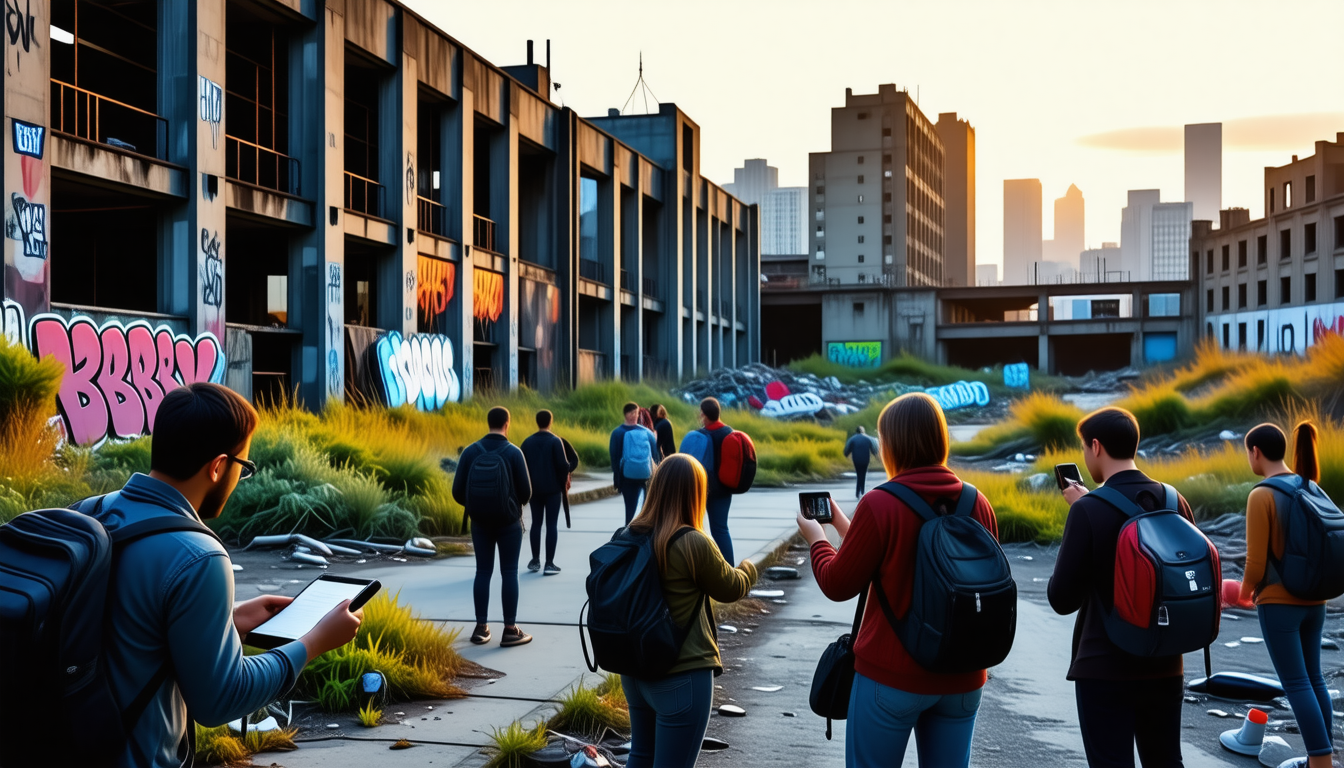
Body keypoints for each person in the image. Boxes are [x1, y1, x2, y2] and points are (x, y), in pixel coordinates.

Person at [93, 383, 363, 768]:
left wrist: (229, 620)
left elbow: (126, 624)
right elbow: (220, 699)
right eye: (243, 467)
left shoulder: (89, 513)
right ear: (218, 467)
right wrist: (313, 643)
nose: (240, 479)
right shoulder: (198, 556)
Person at [798, 392, 999, 768]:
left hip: (892, 677)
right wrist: (844, 523)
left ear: (891, 444)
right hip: (963, 678)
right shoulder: (978, 502)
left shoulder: (880, 504)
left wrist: (817, 539)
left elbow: (838, 583)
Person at [1048, 406, 1196, 768]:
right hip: (1166, 662)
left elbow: (1061, 599)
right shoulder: (1175, 501)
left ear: (1095, 447)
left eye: (1085, 447)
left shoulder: (1087, 510)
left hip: (1104, 666)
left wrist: (1081, 514)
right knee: (1165, 762)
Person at [621, 454, 758, 768]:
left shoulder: (629, 534)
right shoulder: (692, 541)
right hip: (681, 674)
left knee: (640, 756)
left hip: (634, 670)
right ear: (696, 493)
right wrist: (749, 568)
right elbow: (732, 588)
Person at [1241, 422, 1333, 768]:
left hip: (1279, 603)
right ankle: (1320, 758)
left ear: (1256, 452)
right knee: (1314, 678)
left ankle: (1320, 763)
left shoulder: (1261, 494)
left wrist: (1244, 593)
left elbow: (1255, 562)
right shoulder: (1310, 486)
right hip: (1316, 598)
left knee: (1295, 683)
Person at [452, 406, 533, 647]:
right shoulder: (514, 452)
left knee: (482, 572)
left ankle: (481, 628)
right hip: (508, 523)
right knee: (509, 572)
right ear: (507, 424)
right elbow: (527, 493)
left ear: (488, 423)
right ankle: (510, 630)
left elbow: (457, 491)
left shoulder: (470, 452)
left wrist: (477, 505)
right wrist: (509, 503)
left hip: (480, 523)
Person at [520, 410, 576, 575]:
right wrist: (567, 472)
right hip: (553, 490)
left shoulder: (527, 442)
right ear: (550, 422)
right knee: (551, 525)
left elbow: (522, 466)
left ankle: (535, 560)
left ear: (537, 422)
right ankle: (549, 563)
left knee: (536, 524)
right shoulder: (555, 441)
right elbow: (563, 465)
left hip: (534, 491)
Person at [696, 397, 738, 562]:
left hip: (701, 487)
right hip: (724, 488)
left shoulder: (700, 435)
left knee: (696, 529)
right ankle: (730, 569)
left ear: (704, 415)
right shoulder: (729, 432)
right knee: (720, 529)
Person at [609, 401, 661, 525]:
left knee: (631, 509)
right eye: (633, 413)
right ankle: (641, 537)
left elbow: (614, 458)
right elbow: (656, 456)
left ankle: (629, 535)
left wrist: (617, 480)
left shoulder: (617, 433)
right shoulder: (647, 433)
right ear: (628, 414)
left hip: (628, 476)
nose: (635, 415)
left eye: (636, 413)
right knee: (643, 511)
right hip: (645, 475)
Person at [844, 425, 875, 498]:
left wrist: (846, 454)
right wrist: (875, 454)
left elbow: (848, 449)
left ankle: (858, 492)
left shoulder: (852, 439)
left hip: (856, 459)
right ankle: (862, 491)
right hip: (865, 459)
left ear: (856, 431)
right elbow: (873, 449)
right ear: (863, 431)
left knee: (858, 474)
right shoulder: (868, 438)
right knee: (863, 474)